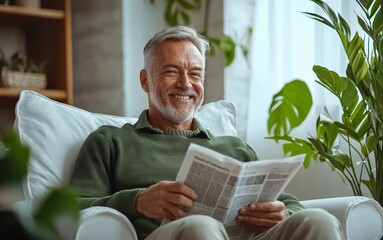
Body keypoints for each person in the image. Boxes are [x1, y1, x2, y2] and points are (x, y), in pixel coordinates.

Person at [70, 25, 344, 240]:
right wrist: (137, 201)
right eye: (171, 71)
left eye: (196, 74)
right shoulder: (111, 142)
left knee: (319, 221)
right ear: (145, 80)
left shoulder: (235, 147)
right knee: (200, 227)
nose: (186, 84)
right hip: (174, 236)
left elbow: (287, 201)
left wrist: (284, 212)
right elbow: (70, 209)